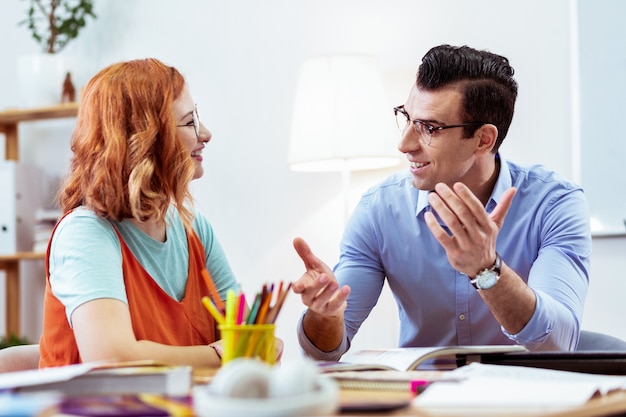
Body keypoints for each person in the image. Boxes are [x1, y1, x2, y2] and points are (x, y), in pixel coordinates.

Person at [292, 44, 591, 360]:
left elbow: (558, 343)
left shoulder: (555, 204)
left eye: (429, 128)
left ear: (483, 139)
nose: (404, 144)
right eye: (407, 118)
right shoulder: (378, 210)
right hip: (419, 402)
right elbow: (323, 354)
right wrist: (326, 315)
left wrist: (487, 270)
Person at [39, 58, 281, 367]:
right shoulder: (84, 234)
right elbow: (111, 358)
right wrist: (227, 353)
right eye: (189, 121)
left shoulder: (192, 226)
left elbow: (249, 333)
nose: (205, 133)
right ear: (146, 138)